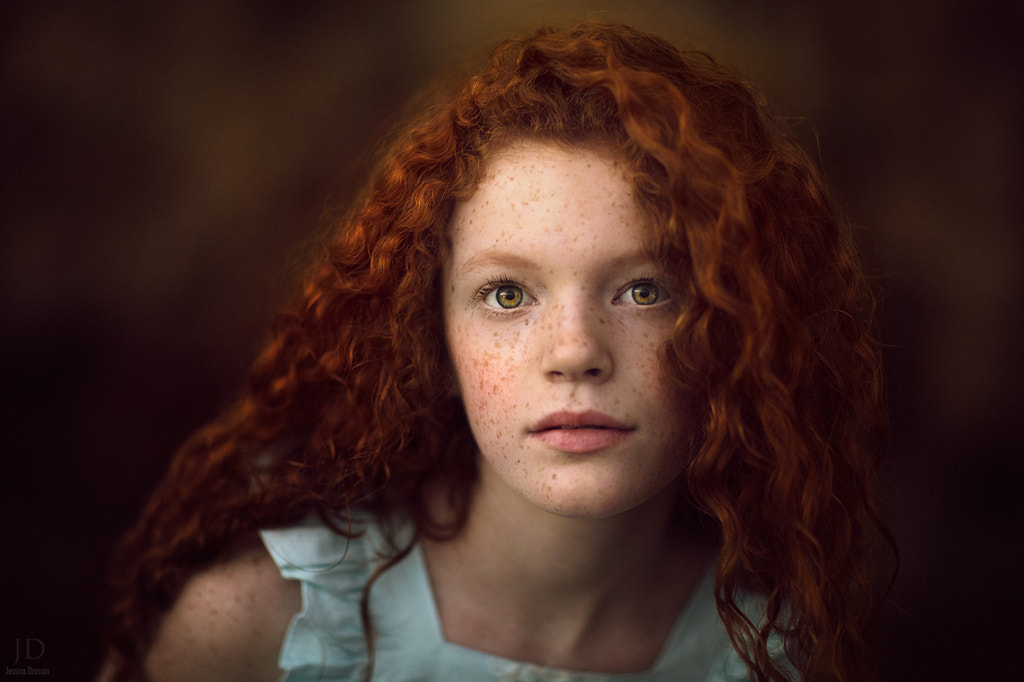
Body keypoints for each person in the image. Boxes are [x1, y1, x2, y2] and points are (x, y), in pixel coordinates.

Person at [98, 22, 892, 682]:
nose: (575, 352)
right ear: (431, 337)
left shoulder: (773, 656)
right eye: (508, 294)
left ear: (733, 327)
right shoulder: (260, 627)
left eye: (643, 290)